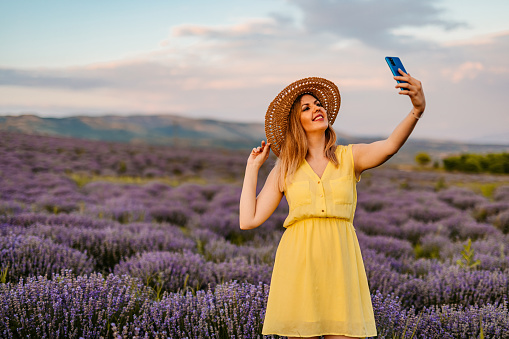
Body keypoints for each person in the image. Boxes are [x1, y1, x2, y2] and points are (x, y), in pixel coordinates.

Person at [239, 69, 425, 339]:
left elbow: (390, 146)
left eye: (318, 104)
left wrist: (417, 109)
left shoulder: (351, 157)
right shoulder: (285, 167)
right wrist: (252, 168)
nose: (316, 108)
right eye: (306, 107)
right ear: (296, 121)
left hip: (341, 260)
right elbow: (248, 220)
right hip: (298, 262)